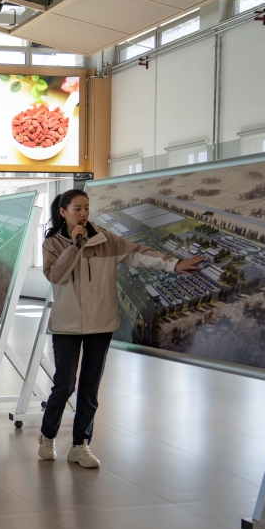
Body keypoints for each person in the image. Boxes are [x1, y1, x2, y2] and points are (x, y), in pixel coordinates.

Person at [38, 189, 203, 468]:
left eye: (86, 208)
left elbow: (138, 254)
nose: (83, 213)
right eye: (77, 209)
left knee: (90, 388)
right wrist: (74, 246)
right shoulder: (53, 244)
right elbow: (56, 275)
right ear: (63, 212)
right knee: (64, 385)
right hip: (67, 325)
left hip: (101, 324)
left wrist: (175, 264)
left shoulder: (106, 239)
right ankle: (47, 436)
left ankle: (80, 445)